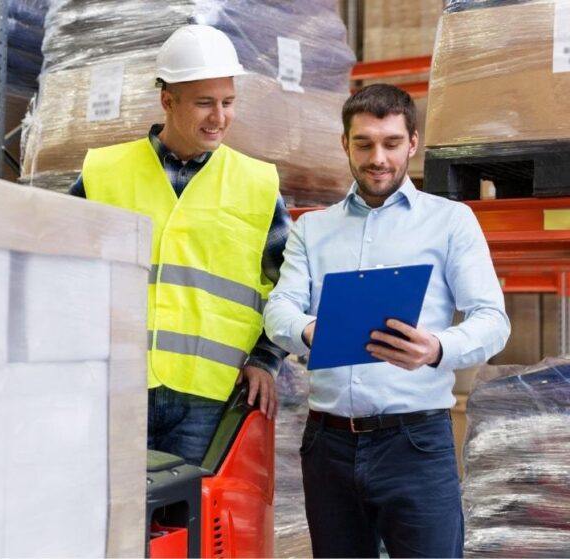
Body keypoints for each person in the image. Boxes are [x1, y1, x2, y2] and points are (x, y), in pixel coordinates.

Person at [263, 83, 510, 558]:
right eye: (364, 144)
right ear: (345, 144)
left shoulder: (451, 221)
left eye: (392, 143)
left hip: (415, 444)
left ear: (412, 142)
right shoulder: (313, 228)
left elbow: (492, 320)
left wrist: (435, 348)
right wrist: (312, 330)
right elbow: (279, 310)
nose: (378, 158)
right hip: (328, 444)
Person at [70, 24, 290, 466]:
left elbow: (290, 287)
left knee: (186, 527)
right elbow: (58, 271)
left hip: (209, 395)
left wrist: (266, 359)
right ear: (168, 101)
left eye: (228, 102)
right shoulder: (103, 173)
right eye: (205, 103)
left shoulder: (259, 184)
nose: (220, 117)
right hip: (117, 385)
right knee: (112, 524)